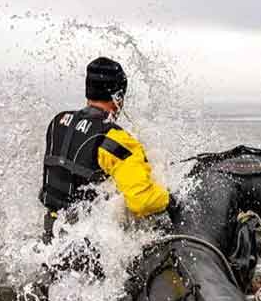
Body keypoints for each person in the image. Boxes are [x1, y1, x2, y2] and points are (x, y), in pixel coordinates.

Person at [39, 56, 172, 245]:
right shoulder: (116, 139)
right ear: (118, 97)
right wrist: (171, 198)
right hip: (89, 248)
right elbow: (142, 202)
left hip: (51, 237)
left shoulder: (58, 122)